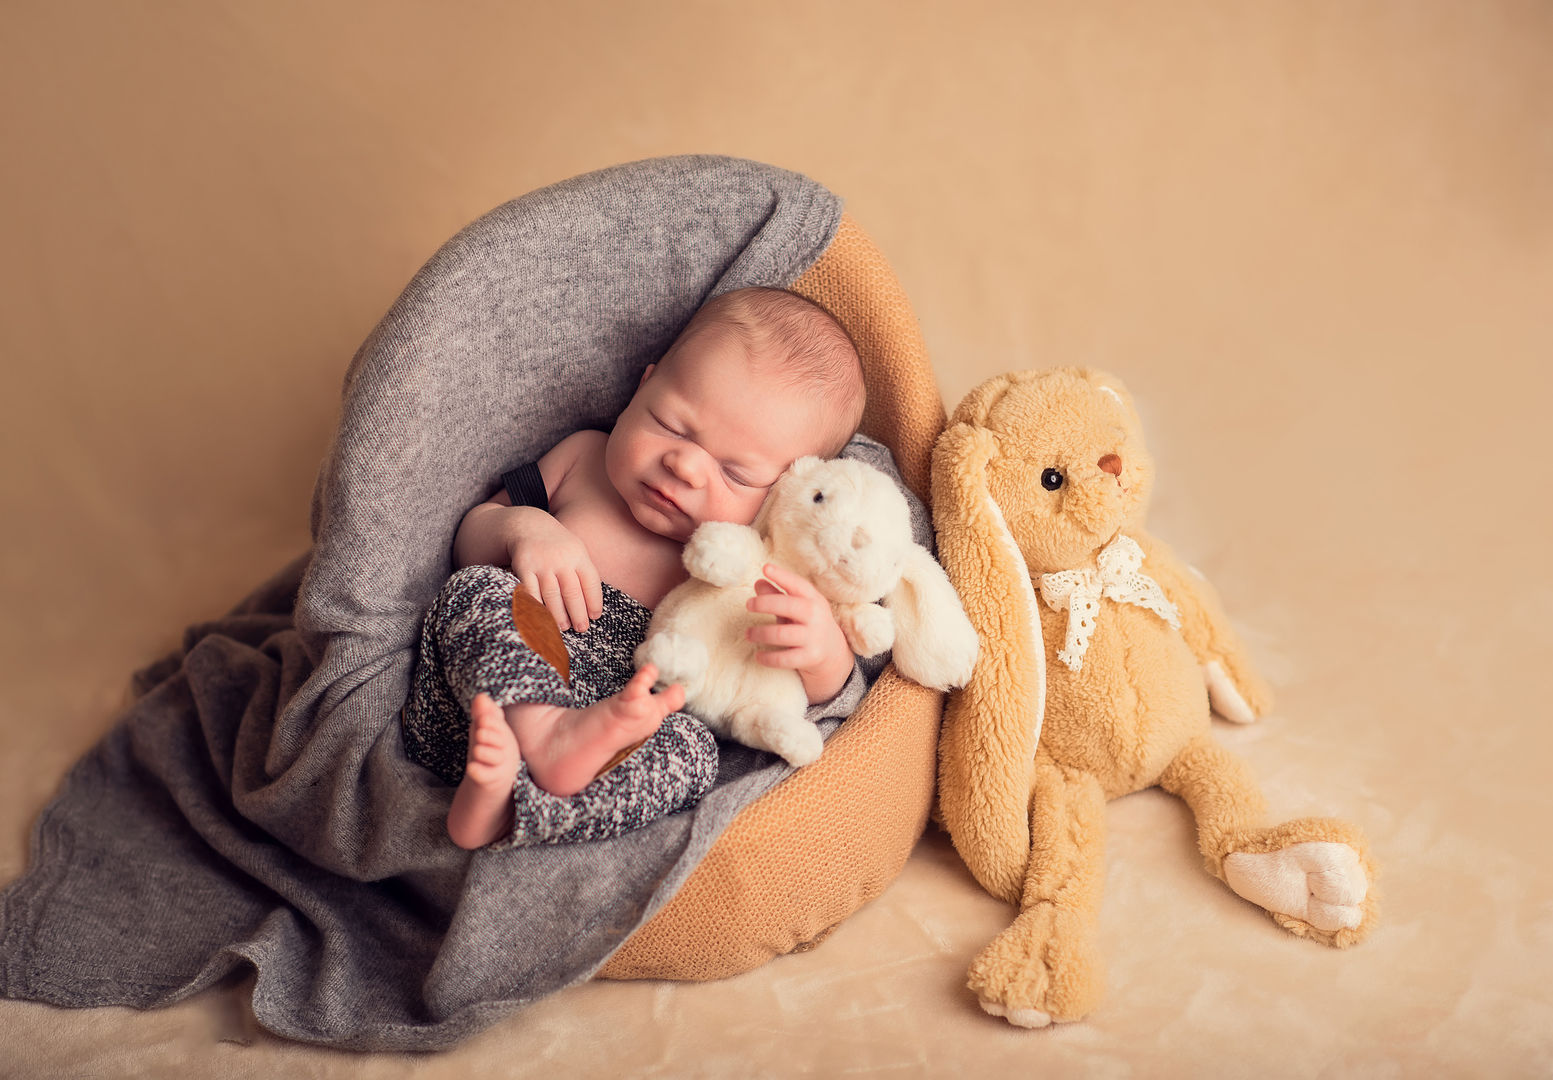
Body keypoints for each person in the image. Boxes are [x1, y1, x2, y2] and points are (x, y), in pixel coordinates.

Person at [400, 286, 867, 849]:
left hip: (605, 738)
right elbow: (472, 537)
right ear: (642, 387)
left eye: (735, 474)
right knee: (479, 587)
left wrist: (823, 651)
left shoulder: (758, 560)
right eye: (671, 425)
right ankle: (542, 731)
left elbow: (814, 691)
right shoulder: (583, 459)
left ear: (784, 493)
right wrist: (524, 529)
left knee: (694, 752)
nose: (685, 466)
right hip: (480, 702)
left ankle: (506, 813)